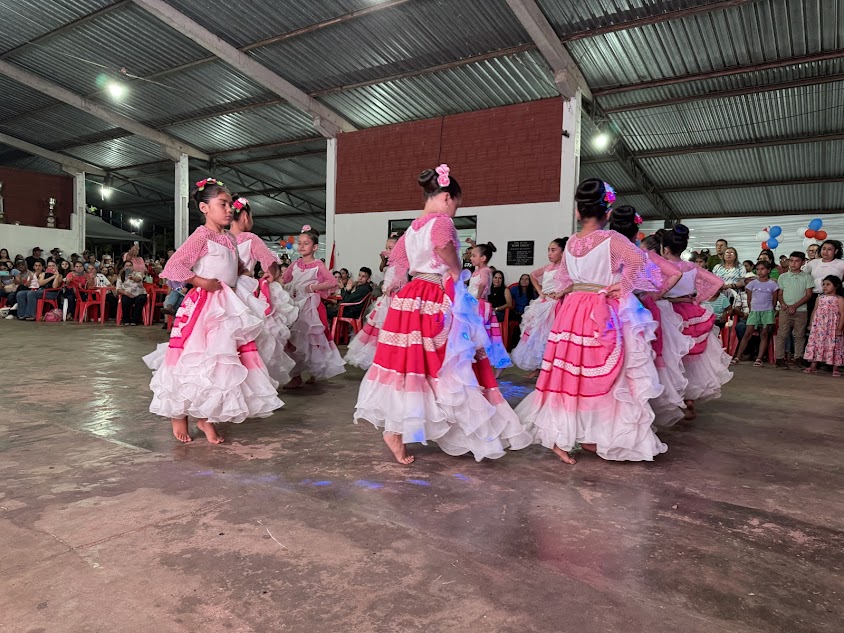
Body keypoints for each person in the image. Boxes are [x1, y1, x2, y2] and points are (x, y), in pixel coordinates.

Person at [354, 165, 531, 464]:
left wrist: (396, 285)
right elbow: (443, 246)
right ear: (447, 197)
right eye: (457, 204)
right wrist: (455, 268)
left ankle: (398, 429)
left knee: (411, 365)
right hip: (434, 296)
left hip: (411, 298)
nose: (455, 210)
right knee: (447, 364)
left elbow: (398, 263)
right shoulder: (440, 222)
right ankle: (449, 428)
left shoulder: (413, 227)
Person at [515, 180, 667, 464]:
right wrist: (622, 286)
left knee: (569, 373)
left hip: (572, 310)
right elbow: (643, 265)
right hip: (598, 310)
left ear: (578, 211)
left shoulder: (571, 242)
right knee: (602, 373)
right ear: (607, 212)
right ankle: (587, 434)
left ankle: (566, 435)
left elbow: (565, 279)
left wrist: (587, 288)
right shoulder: (614, 240)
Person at [143, 177, 283, 444]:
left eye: (230, 204)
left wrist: (255, 271)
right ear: (205, 208)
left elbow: (237, 266)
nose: (229, 209)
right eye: (223, 204)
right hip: (203, 307)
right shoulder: (201, 236)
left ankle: (206, 416)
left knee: (219, 362)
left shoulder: (229, 238)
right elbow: (173, 268)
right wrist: (200, 281)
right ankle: (178, 414)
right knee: (194, 359)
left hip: (226, 306)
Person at [611, 207, 689, 427]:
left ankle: (620, 412)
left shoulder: (607, 249)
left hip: (612, 307)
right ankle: (634, 412)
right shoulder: (641, 254)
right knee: (637, 360)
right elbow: (669, 275)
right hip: (636, 307)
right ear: (636, 232)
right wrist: (652, 293)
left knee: (621, 359)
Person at [653, 226, 732, 418]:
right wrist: (697, 299)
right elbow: (717, 283)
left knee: (672, 357)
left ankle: (674, 398)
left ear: (665, 249)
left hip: (670, 312)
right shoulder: (691, 267)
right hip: (691, 312)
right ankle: (690, 400)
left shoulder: (663, 267)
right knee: (692, 358)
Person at [228, 195, 297, 386]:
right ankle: (254, 381)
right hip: (245, 291)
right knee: (255, 337)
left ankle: (232, 380)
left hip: (225, 291)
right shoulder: (250, 239)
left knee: (229, 337)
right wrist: (272, 274)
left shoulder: (222, 238)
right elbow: (270, 262)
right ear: (244, 216)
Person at [281, 226, 346, 389]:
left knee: (312, 339)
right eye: (299, 243)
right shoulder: (295, 264)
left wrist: (313, 288)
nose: (301, 246)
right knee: (294, 339)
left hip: (311, 308)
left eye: (306, 243)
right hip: (294, 305)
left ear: (315, 247)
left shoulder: (318, 265)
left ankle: (314, 371)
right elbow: (284, 278)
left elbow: (332, 282)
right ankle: (295, 375)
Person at [346, 237, 407, 370]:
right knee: (377, 330)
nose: (388, 251)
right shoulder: (392, 263)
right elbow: (385, 271)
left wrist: (392, 287)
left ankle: (389, 359)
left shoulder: (402, 263)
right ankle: (377, 359)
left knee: (390, 330)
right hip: (386, 299)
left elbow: (402, 281)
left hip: (394, 301)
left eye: (391, 248)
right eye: (387, 248)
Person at [511, 238, 567, 375]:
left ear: (562, 252)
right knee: (536, 334)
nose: (549, 253)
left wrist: (561, 292)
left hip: (556, 305)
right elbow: (533, 275)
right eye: (548, 250)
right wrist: (540, 290)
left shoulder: (566, 268)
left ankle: (549, 367)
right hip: (543, 302)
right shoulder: (548, 267)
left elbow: (574, 284)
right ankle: (538, 365)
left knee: (549, 336)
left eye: (553, 250)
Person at [468, 242, 511, 370]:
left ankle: (490, 361)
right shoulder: (477, 271)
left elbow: (482, 284)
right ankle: (476, 361)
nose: (471, 258)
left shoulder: (485, 270)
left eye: (474, 255)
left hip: (479, 305)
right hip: (473, 303)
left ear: (483, 258)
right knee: (476, 334)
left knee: (483, 335)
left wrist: (477, 298)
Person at [732, 261, 779, 366]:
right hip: (754, 311)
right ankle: (738, 356)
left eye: (762, 269)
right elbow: (749, 299)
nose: (760, 271)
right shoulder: (752, 284)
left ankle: (759, 358)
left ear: (768, 270)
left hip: (767, 312)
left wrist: (770, 310)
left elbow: (774, 300)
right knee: (747, 333)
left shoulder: (773, 284)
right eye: (757, 269)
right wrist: (752, 309)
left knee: (764, 334)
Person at [774, 251, 814, 369]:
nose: (793, 263)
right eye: (791, 261)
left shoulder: (807, 277)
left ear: (803, 262)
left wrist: (795, 306)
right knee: (782, 334)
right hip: (785, 310)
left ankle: (798, 358)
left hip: (801, 310)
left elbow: (808, 295)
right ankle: (780, 358)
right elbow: (780, 293)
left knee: (799, 335)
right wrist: (783, 304)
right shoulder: (783, 276)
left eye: (797, 261)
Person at [803, 275, 844, 376]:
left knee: (834, 345)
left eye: (828, 284)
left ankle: (836, 367)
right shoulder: (820, 298)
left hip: (832, 326)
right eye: (823, 284)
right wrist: (811, 324)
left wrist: (839, 328)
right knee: (817, 343)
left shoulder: (839, 299)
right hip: (819, 326)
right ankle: (813, 365)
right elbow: (815, 310)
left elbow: (843, 314)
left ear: (836, 286)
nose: (825, 287)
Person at [803, 240, 844, 317]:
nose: (825, 251)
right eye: (824, 248)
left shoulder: (841, 264)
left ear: (836, 251)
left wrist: (840, 285)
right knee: (813, 319)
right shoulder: (813, 263)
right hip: (814, 297)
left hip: (834, 298)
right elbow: (803, 276)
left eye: (829, 249)